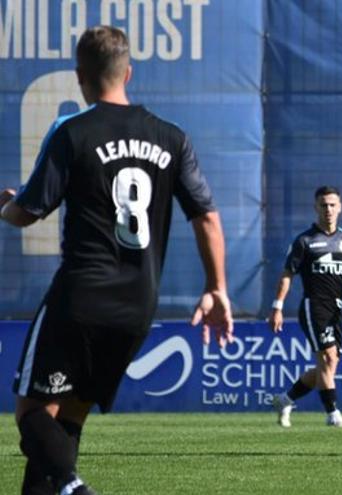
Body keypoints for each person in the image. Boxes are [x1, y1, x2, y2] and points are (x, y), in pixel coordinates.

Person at [0, 26, 233, 495]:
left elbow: (27, 212)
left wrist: (5, 205)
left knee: (30, 415)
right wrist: (216, 288)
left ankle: (74, 487)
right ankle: (61, 485)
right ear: (128, 73)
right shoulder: (172, 138)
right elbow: (207, 216)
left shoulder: (72, 131)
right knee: (66, 418)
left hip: (80, 297)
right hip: (137, 305)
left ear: (79, 76)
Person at [268, 186, 342, 428]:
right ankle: (332, 414)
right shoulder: (305, 241)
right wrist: (277, 307)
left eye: (333, 204)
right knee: (326, 356)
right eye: (323, 205)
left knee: (329, 366)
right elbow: (287, 275)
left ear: (340, 207)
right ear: (316, 208)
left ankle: (285, 399)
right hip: (314, 306)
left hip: (336, 308)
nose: (328, 209)